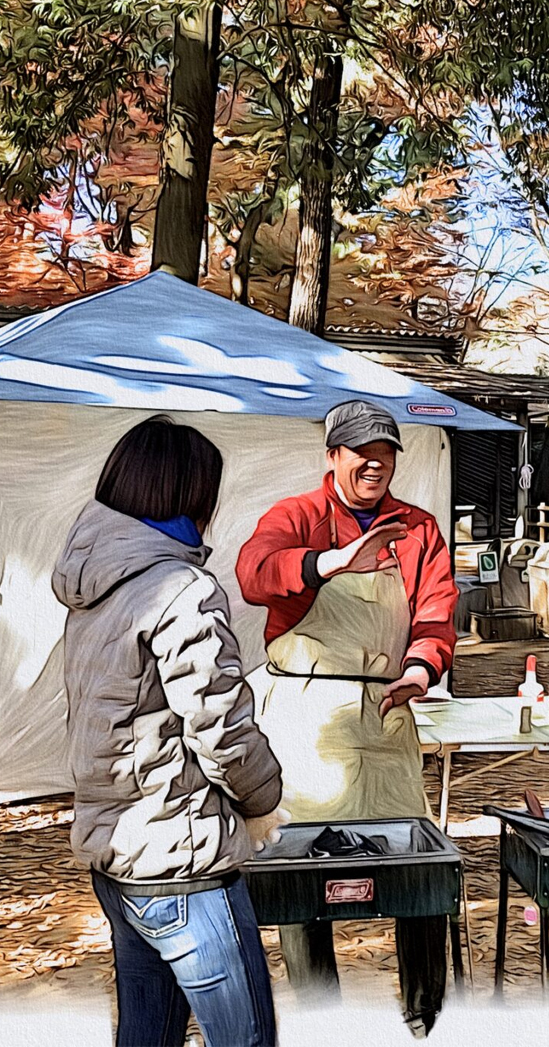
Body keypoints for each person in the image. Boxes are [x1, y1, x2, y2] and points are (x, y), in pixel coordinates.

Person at [52, 416, 284, 1047]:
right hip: (184, 867)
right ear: (186, 496)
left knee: (147, 1037)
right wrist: (265, 801)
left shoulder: (94, 587)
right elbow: (223, 732)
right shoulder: (179, 588)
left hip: (118, 856)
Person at [236, 399, 458, 1039]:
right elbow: (254, 572)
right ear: (332, 455)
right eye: (361, 451)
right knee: (302, 877)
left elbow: (436, 611)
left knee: (417, 868)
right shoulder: (296, 516)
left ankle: (427, 1014)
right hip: (307, 717)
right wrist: (331, 561)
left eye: (385, 452)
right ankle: (320, 1018)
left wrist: (421, 668)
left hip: (386, 712)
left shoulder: (417, 527)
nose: (374, 463)